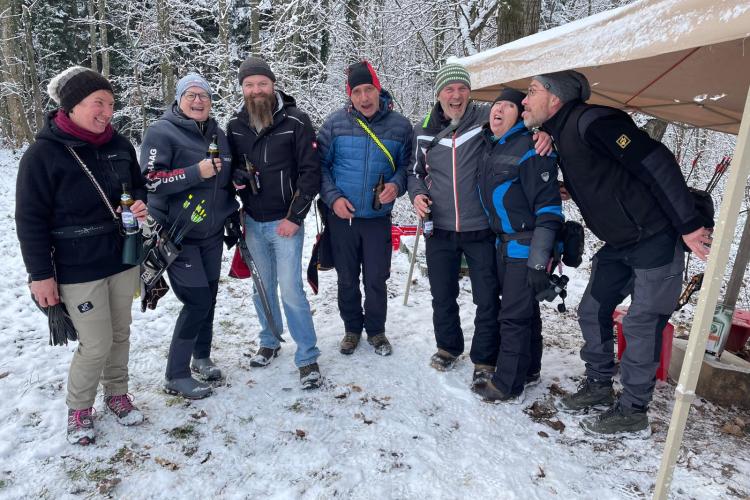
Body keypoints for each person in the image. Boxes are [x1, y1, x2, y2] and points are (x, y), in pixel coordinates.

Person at [522, 70, 712, 436]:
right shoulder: (559, 132)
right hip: (620, 242)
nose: (524, 101)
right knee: (592, 309)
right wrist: (571, 185)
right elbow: (605, 175)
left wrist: (688, 224)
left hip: (656, 236)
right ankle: (598, 385)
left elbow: (656, 161)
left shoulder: (593, 122)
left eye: (531, 92)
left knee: (641, 323)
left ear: (555, 98)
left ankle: (633, 410)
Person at [16, 66, 148, 445]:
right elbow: (30, 219)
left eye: (111, 104)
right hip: (75, 266)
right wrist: (40, 274)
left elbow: (138, 186)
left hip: (122, 256)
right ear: (72, 105)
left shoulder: (120, 145)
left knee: (120, 333)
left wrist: (140, 203)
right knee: (96, 342)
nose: (107, 112)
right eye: (98, 103)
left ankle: (117, 394)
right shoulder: (43, 154)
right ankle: (79, 407)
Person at [408, 62, 551, 379]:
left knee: (487, 299)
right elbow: (414, 173)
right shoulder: (422, 131)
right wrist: (416, 194)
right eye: (449, 89)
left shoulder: (486, 117)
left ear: (470, 92)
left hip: (482, 229)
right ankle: (448, 347)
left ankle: (484, 359)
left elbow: (522, 121)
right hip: (439, 228)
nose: (456, 95)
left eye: (462, 89)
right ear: (439, 94)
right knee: (442, 295)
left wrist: (544, 134)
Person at [140, 73, 239, 399]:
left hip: (211, 233)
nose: (198, 101)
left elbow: (224, 177)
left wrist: (237, 178)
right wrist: (196, 172)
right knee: (197, 301)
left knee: (209, 296)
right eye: (191, 95)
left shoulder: (219, 134)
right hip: (176, 235)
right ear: (179, 99)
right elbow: (150, 181)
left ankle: (201, 356)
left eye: (204, 96)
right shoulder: (161, 132)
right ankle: (176, 374)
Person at [226, 57, 322, 389]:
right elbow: (229, 167)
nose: (256, 90)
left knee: (291, 289)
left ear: (273, 84)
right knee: (262, 288)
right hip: (253, 221)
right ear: (242, 89)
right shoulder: (234, 125)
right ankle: (269, 340)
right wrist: (237, 176)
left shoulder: (296, 120)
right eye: (249, 85)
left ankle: (307, 356)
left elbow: (311, 172)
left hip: (286, 223)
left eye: (262, 84)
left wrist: (295, 217)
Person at [473, 89, 563, 402]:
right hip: (503, 244)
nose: (498, 110)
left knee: (512, 315)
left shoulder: (531, 147)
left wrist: (540, 257)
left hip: (526, 245)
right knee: (526, 311)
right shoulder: (492, 146)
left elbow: (549, 208)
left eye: (508, 106)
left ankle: (507, 384)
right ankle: (529, 368)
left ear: (521, 115)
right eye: (496, 104)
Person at [317, 60, 412, 356]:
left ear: (378, 89)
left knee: (376, 279)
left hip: (377, 218)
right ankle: (351, 329)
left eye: (368, 89)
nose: (364, 97)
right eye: (356, 91)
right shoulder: (334, 124)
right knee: (346, 278)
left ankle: (377, 331)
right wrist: (333, 198)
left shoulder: (400, 127)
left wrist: (396, 185)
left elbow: (409, 167)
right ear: (350, 94)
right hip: (342, 218)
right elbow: (319, 167)